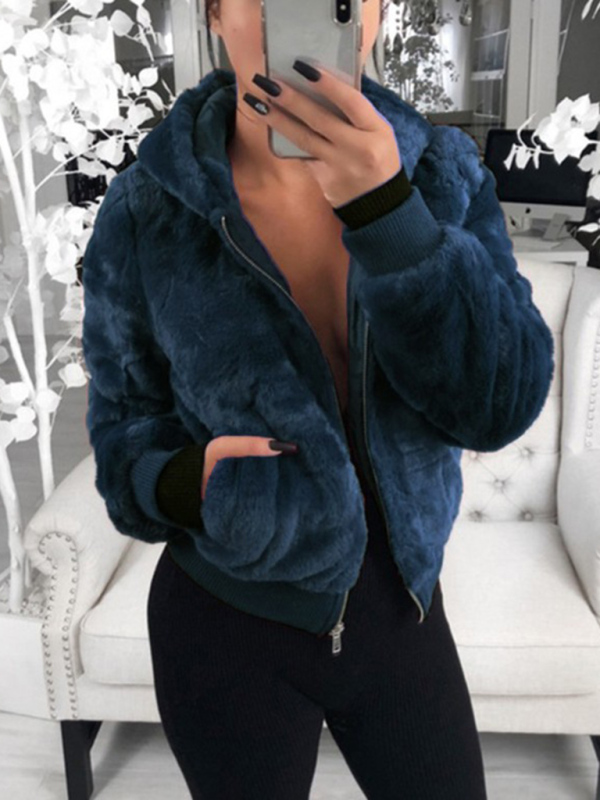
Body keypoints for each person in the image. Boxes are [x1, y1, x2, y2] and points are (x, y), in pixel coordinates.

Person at [81, 0, 555, 798]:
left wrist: (390, 214)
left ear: (375, 14)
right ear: (215, 13)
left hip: (402, 613)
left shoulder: (441, 176)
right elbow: (124, 427)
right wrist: (184, 483)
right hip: (225, 623)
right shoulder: (145, 209)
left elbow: (498, 406)